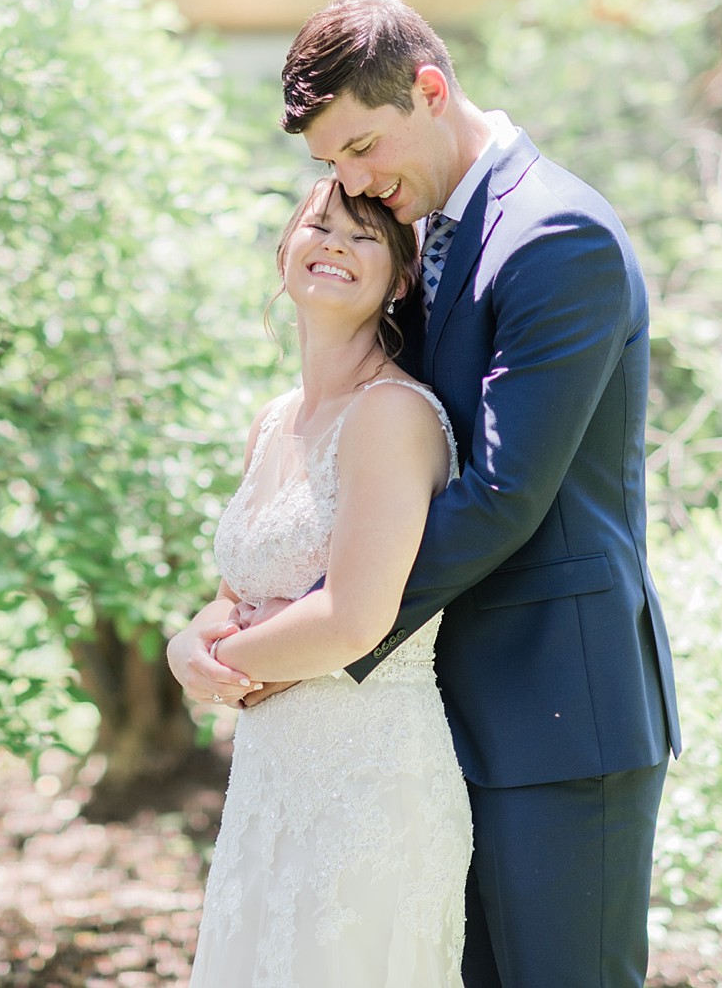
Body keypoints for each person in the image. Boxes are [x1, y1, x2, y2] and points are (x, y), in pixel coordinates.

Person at [170, 0, 680, 988]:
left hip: (553, 709)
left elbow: (500, 494)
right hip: (428, 723)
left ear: (429, 90)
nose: (353, 185)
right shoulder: (424, 234)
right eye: (329, 168)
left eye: (361, 147)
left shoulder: (551, 235)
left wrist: (308, 635)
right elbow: (353, 487)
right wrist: (240, 618)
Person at [183, 173, 470, 988]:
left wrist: (225, 665)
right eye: (321, 226)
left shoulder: (393, 414)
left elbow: (354, 618)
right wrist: (185, 645)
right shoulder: (271, 422)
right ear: (286, 251)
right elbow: (237, 592)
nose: (337, 244)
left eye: (365, 235)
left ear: (402, 278)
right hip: (271, 779)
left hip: (368, 781)